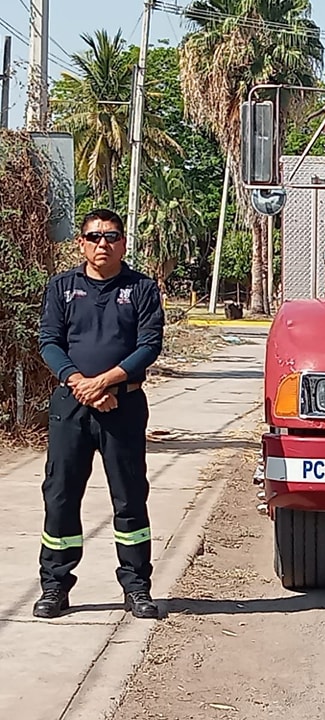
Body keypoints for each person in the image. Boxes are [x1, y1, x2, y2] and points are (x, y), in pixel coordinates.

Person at [33, 209, 165, 620]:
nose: (101, 244)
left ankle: (137, 587)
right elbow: (49, 342)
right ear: (81, 244)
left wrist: (106, 382)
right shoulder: (62, 287)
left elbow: (149, 345)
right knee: (60, 496)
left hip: (123, 405)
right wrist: (81, 384)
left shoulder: (141, 288)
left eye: (110, 236)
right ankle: (55, 586)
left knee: (129, 498)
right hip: (71, 405)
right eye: (93, 237)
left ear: (123, 242)